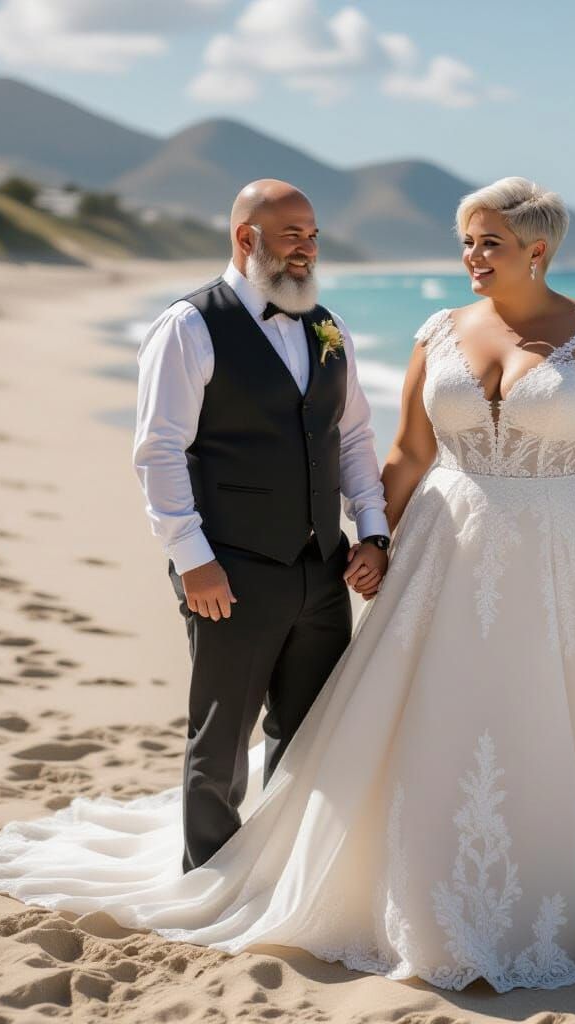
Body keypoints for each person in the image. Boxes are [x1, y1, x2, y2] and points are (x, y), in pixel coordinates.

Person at [0, 177, 575, 993]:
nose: (473, 257)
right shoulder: (437, 331)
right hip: (447, 543)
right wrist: (378, 539)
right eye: (468, 241)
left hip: (565, 547)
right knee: (426, 711)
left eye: (490, 243)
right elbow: (402, 453)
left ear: (537, 250)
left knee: (560, 714)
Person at [132, 179, 390, 872]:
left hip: (323, 570)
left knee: (309, 738)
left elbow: (354, 438)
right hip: (231, 569)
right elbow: (158, 450)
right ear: (245, 238)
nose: (306, 248)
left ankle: (280, 874)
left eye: (312, 235)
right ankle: (207, 875)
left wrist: (372, 532)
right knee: (221, 739)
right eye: (291, 235)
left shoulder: (327, 327)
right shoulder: (189, 326)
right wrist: (192, 558)